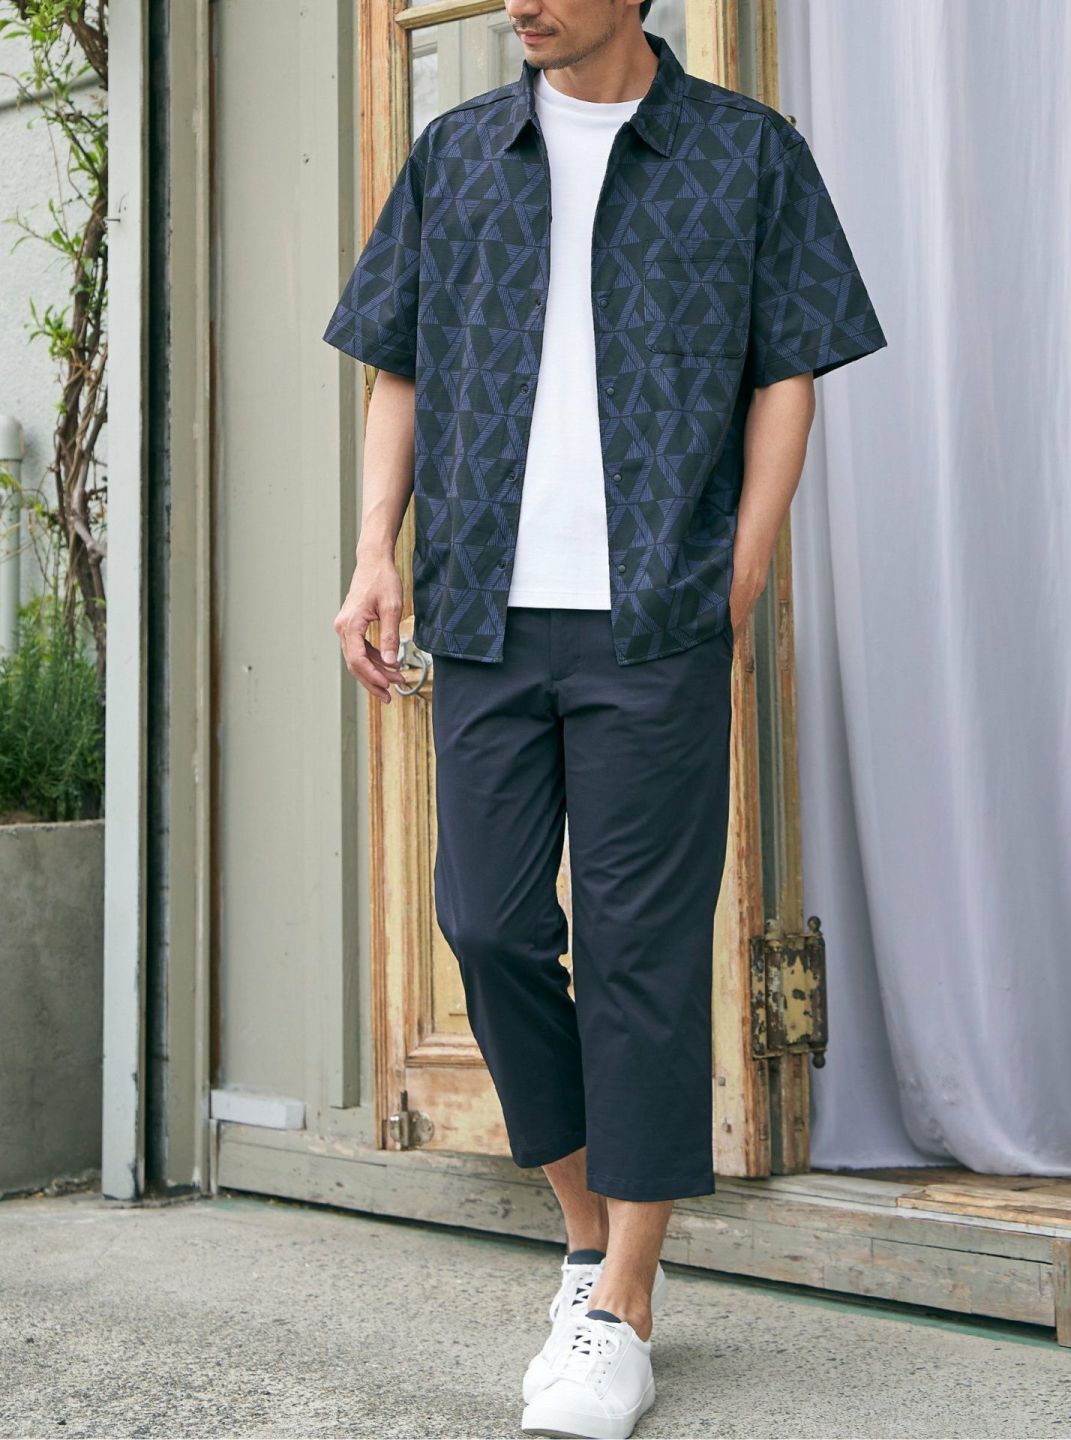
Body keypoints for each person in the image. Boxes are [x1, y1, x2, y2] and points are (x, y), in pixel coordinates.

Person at [324, 2, 886, 1435]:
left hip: (655, 618)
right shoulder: (457, 153)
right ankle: (588, 1236)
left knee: (642, 951)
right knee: (488, 923)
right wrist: (376, 550)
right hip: (485, 611)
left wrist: (742, 566)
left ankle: (624, 1300)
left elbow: (789, 368)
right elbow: (397, 360)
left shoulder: (746, 153)